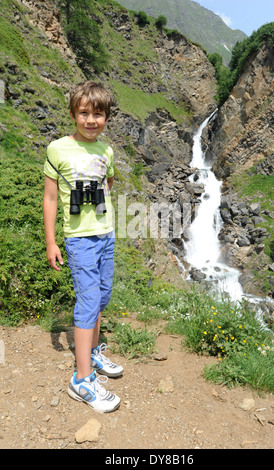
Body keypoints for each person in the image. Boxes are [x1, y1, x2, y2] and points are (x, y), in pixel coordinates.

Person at [43, 81, 123, 413]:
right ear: (74, 114)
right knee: (88, 301)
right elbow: (49, 198)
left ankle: (90, 352)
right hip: (79, 240)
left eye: (98, 114)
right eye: (84, 113)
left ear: (106, 117)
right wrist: (51, 241)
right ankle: (81, 379)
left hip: (106, 235)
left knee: (102, 295)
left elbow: (108, 183)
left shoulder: (106, 151)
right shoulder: (58, 148)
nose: (91, 120)